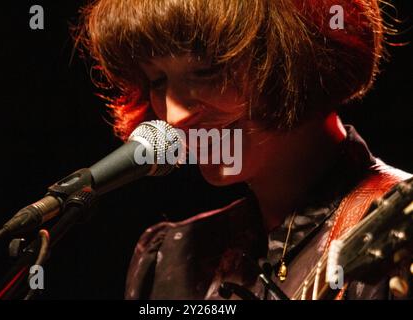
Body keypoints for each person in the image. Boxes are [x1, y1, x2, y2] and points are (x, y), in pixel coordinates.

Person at [78, 0, 412, 299]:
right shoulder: (171, 261)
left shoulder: (399, 231)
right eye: (157, 81)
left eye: (206, 71)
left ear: (297, 53)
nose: (175, 116)